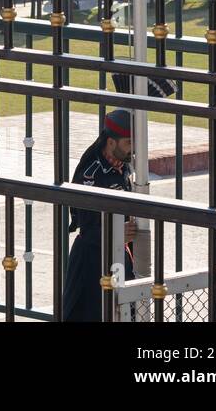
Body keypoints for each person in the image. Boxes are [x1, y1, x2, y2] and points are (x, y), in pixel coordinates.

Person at [62, 109, 136, 321]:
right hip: (93, 262)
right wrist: (116, 235)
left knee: (122, 311)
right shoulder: (91, 174)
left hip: (120, 259)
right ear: (111, 143)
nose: (133, 149)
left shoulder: (124, 167)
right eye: (128, 142)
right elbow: (87, 228)